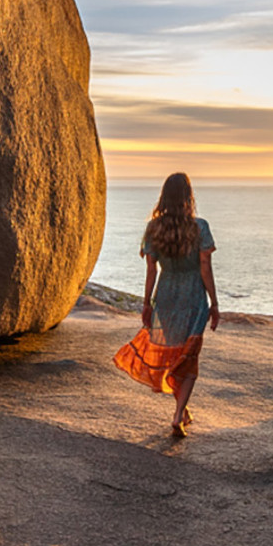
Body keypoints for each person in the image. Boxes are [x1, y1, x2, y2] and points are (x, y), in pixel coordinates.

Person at [113, 172, 219, 437]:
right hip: (193, 296)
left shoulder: (154, 228)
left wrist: (147, 303)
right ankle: (177, 415)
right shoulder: (200, 227)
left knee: (175, 354)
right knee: (189, 357)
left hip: (166, 296)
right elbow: (205, 266)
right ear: (188, 197)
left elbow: (151, 269)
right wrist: (214, 302)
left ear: (164, 196)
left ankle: (182, 411)